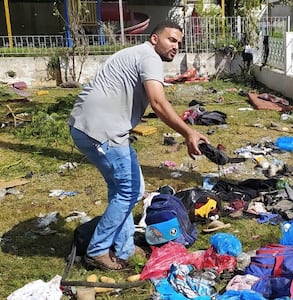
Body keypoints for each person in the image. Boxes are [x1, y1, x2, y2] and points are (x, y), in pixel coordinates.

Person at [69, 20, 209, 270]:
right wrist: (188, 132)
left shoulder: (135, 54)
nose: (176, 46)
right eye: (171, 40)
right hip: (102, 131)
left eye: (179, 42)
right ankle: (98, 250)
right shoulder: (149, 57)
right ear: (155, 39)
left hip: (94, 128)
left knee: (132, 188)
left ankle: (123, 247)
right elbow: (157, 101)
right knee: (127, 191)